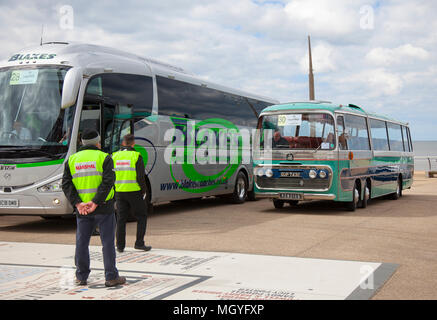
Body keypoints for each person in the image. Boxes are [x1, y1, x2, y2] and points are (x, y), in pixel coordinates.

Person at [62, 129, 126, 287]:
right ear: (98, 142)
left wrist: (78, 203)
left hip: (82, 210)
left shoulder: (72, 160)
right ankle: (111, 277)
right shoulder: (104, 157)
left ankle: (81, 276)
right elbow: (108, 182)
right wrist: (96, 202)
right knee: (108, 243)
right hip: (103, 208)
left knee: (82, 242)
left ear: (82, 143)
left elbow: (66, 184)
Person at [112, 134, 151, 253]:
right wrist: (144, 191)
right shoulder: (136, 156)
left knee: (121, 219)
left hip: (119, 192)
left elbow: (111, 174)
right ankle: (139, 243)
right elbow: (140, 177)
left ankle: (120, 246)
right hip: (134, 191)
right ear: (133, 144)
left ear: (123, 143)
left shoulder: (114, 156)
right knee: (142, 216)